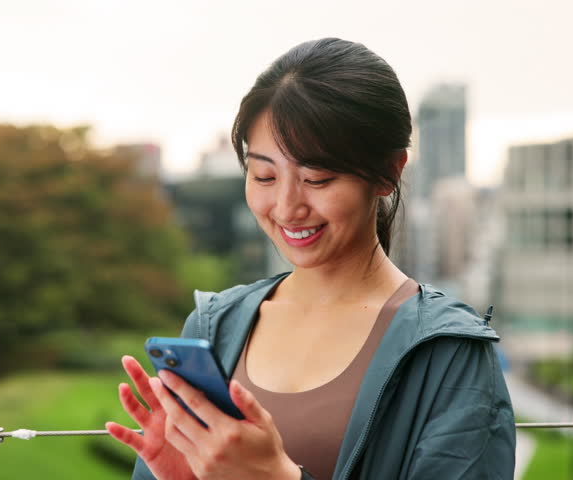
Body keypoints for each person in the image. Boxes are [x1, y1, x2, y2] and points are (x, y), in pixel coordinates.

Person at [105, 37, 516, 479]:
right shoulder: (215, 328)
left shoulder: (449, 353)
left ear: (389, 171)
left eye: (316, 178)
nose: (286, 206)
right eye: (263, 175)